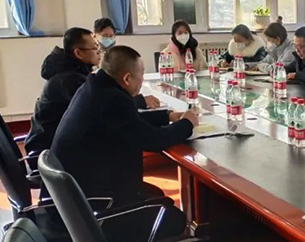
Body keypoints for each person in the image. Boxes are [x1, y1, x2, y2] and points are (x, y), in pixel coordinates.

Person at [48, 45, 198, 205]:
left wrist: (167, 116)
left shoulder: (95, 86)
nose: (142, 80)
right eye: (141, 74)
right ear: (127, 78)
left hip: (73, 193)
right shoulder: (113, 99)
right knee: (171, 214)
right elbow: (151, 140)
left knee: (156, 196)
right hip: (94, 199)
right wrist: (186, 124)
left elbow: (127, 122)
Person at [25, 28, 102, 162]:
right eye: (95, 48)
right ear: (78, 53)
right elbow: (97, 110)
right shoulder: (69, 80)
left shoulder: (72, 72)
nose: (99, 51)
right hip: (47, 155)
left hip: (50, 147)